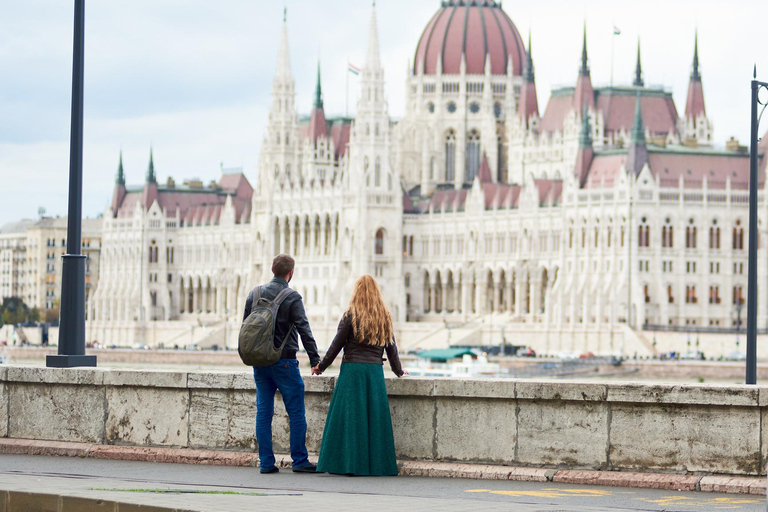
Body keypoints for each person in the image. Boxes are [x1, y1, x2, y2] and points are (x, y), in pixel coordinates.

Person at [311, 275, 406, 476]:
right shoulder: (384, 316)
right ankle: (377, 465)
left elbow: (336, 345)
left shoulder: (350, 315)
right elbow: (392, 348)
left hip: (352, 371)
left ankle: (348, 464)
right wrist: (398, 371)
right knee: (374, 420)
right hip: (374, 373)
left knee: (351, 420)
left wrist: (321, 367)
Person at [244, 254, 321, 474]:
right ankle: (299, 460)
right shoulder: (291, 297)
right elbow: (304, 329)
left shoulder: (254, 293)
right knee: (295, 411)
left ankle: (266, 463)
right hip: (284, 361)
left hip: (259, 361)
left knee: (263, 412)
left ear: (272, 270)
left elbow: (245, 327)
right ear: (291, 273)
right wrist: (315, 360)